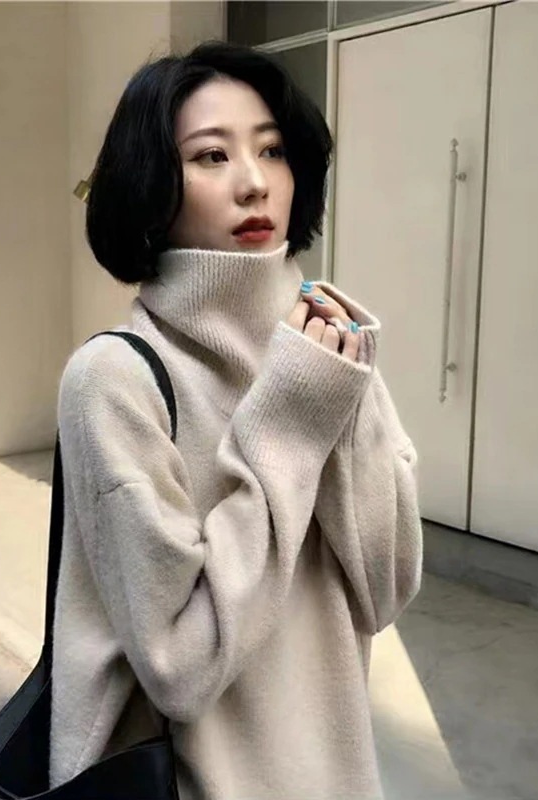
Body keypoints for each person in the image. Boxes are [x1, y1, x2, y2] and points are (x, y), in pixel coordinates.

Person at [51, 40, 423, 800]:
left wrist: (336, 396)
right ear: (153, 183)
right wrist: (288, 426)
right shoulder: (114, 380)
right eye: (211, 156)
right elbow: (180, 668)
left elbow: (386, 592)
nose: (254, 182)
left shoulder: (328, 348)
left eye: (272, 150)